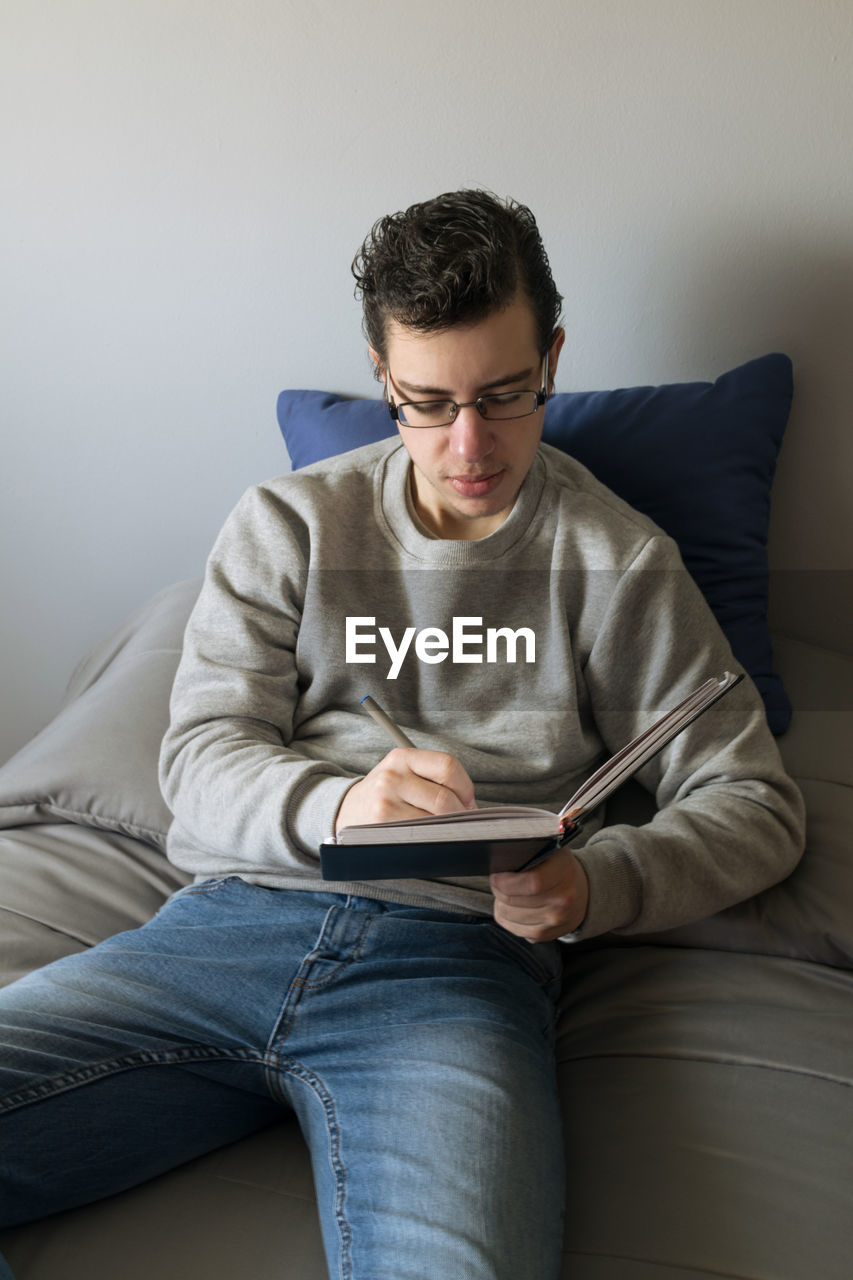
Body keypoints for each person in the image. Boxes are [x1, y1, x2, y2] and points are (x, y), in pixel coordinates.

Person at [0, 190, 805, 1280]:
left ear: (553, 358)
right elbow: (198, 758)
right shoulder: (287, 523)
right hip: (228, 922)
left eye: (504, 396)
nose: (467, 445)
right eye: (425, 402)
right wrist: (337, 805)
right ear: (380, 371)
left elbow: (754, 801)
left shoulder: (618, 561)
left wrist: (594, 885)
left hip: (456, 971)